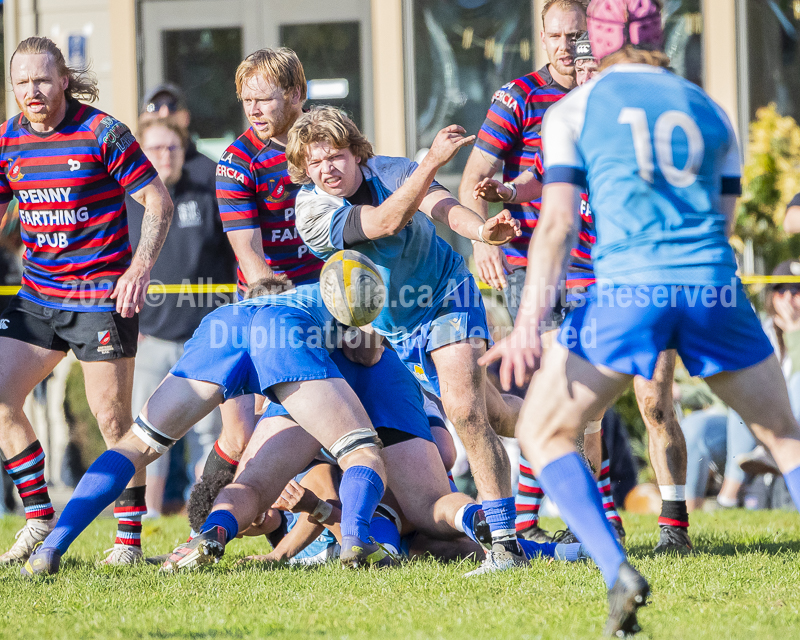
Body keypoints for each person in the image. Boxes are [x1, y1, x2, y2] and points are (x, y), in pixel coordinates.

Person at [482, 0, 800, 634]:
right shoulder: (710, 109)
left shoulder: (575, 109)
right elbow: (726, 222)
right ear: (661, 34)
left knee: (544, 432)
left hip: (628, 291)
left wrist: (526, 324)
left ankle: (615, 571)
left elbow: (558, 223)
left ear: (594, 40)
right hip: (714, 287)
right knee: (787, 442)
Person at [473, 28, 692, 554]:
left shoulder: (646, 137)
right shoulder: (567, 132)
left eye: (601, 72)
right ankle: (588, 522)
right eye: (584, 72)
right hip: (583, 284)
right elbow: (537, 180)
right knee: (574, 407)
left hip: (642, 278)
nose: (588, 78)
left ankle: (674, 523)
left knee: (654, 399)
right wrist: (506, 191)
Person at [287, 107, 530, 575]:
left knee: (464, 411)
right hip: (395, 331)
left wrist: (480, 230)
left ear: (357, 153)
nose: (326, 170)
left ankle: (505, 546)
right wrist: (431, 163)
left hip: (444, 292)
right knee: (495, 413)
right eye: (314, 163)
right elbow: (381, 224)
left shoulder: (394, 169)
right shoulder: (312, 209)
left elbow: (438, 207)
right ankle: (560, 428)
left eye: (335, 156)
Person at [21, 282, 388, 575]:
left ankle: (51, 547)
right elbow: (367, 354)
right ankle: (356, 539)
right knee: (362, 450)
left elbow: (237, 433)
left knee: (135, 445)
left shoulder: (243, 305)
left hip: (221, 325)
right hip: (283, 329)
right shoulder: (325, 295)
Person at [0, 37, 173, 565]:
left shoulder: (102, 133)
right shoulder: (8, 138)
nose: (33, 90)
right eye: (23, 81)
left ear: (64, 81)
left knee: (113, 422)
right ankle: (38, 518)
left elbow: (156, 199)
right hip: (37, 296)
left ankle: (127, 542)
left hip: (100, 297)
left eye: (43, 79)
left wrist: (138, 268)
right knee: (1, 398)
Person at [202, 48, 327, 490]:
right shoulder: (237, 162)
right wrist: (282, 311)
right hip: (266, 301)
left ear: (296, 94)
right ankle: (206, 529)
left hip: (329, 296)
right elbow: (248, 253)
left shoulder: (329, 140)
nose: (254, 110)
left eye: (265, 99)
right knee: (240, 435)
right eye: (246, 99)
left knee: (314, 422)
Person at [126, 117, 236, 523]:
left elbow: (232, 254)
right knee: (146, 430)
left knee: (209, 435)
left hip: (205, 338)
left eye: (172, 148)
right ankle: (146, 512)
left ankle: (204, 513)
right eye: (155, 149)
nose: (164, 156)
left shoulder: (205, 194)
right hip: (151, 337)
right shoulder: (130, 201)